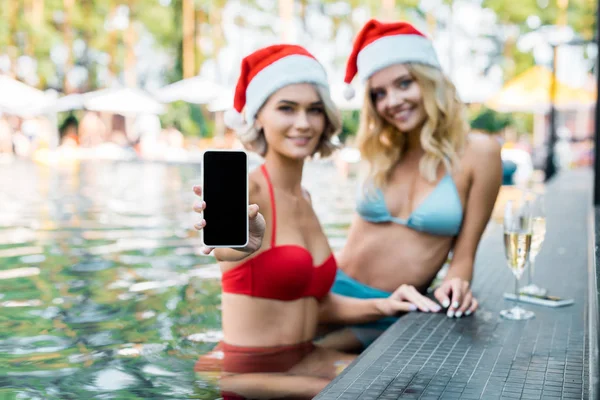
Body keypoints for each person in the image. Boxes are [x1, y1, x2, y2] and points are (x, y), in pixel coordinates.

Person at [191, 44, 419, 400]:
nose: (303, 123)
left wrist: (385, 305)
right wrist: (241, 246)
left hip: (308, 359)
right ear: (258, 117)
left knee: (413, 382)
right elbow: (224, 250)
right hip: (249, 376)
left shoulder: (305, 198)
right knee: (372, 393)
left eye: (314, 110)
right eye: (286, 108)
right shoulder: (247, 190)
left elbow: (316, 303)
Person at [319, 19, 502, 351]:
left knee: (307, 371)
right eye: (379, 93)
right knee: (232, 369)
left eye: (404, 83)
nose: (391, 101)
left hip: (391, 309)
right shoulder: (384, 152)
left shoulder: (480, 153)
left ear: (430, 80)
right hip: (330, 291)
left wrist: (457, 284)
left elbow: (463, 258)